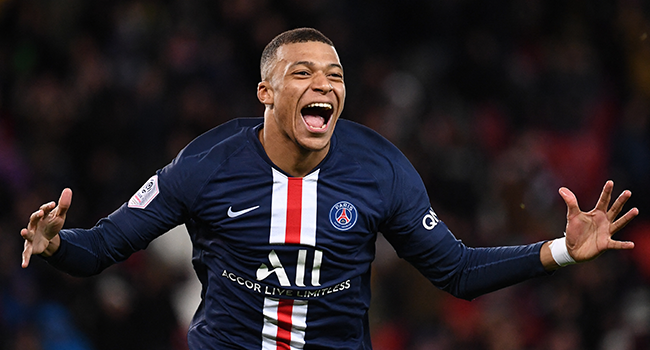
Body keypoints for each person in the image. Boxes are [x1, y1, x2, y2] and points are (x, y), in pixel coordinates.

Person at [20, 28, 639, 350]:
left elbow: (456, 271)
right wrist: (55, 245)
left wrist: (560, 250)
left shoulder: (381, 168)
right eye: (303, 72)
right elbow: (100, 248)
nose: (325, 83)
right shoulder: (204, 166)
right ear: (266, 94)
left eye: (335, 74)